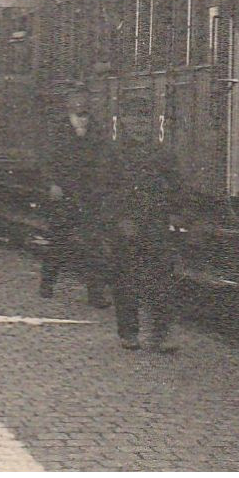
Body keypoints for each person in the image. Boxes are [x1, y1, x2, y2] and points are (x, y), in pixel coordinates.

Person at [98, 112, 183, 351]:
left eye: (144, 121)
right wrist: (119, 219)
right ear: (124, 122)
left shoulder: (163, 153)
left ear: (152, 124)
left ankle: (161, 334)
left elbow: (176, 186)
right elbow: (105, 190)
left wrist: (177, 212)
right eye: (134, 120)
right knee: (126, 280)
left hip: (155, 224)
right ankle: (129, 333)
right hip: (126, 226)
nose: (139, 126)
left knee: (161, 281)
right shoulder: (114, 154)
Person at [40, 95, 110, 306]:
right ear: (70, 114)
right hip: (65, 195)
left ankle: (95, 294)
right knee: (58, 242)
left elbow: (103, 161)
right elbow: (49, 160)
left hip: (88, 196)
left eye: (85, 115)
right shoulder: (59, 133)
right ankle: (47, 283)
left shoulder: (96, 133)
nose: (83, 120)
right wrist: (53, 183)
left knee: (93, 245)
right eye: (78, 115)